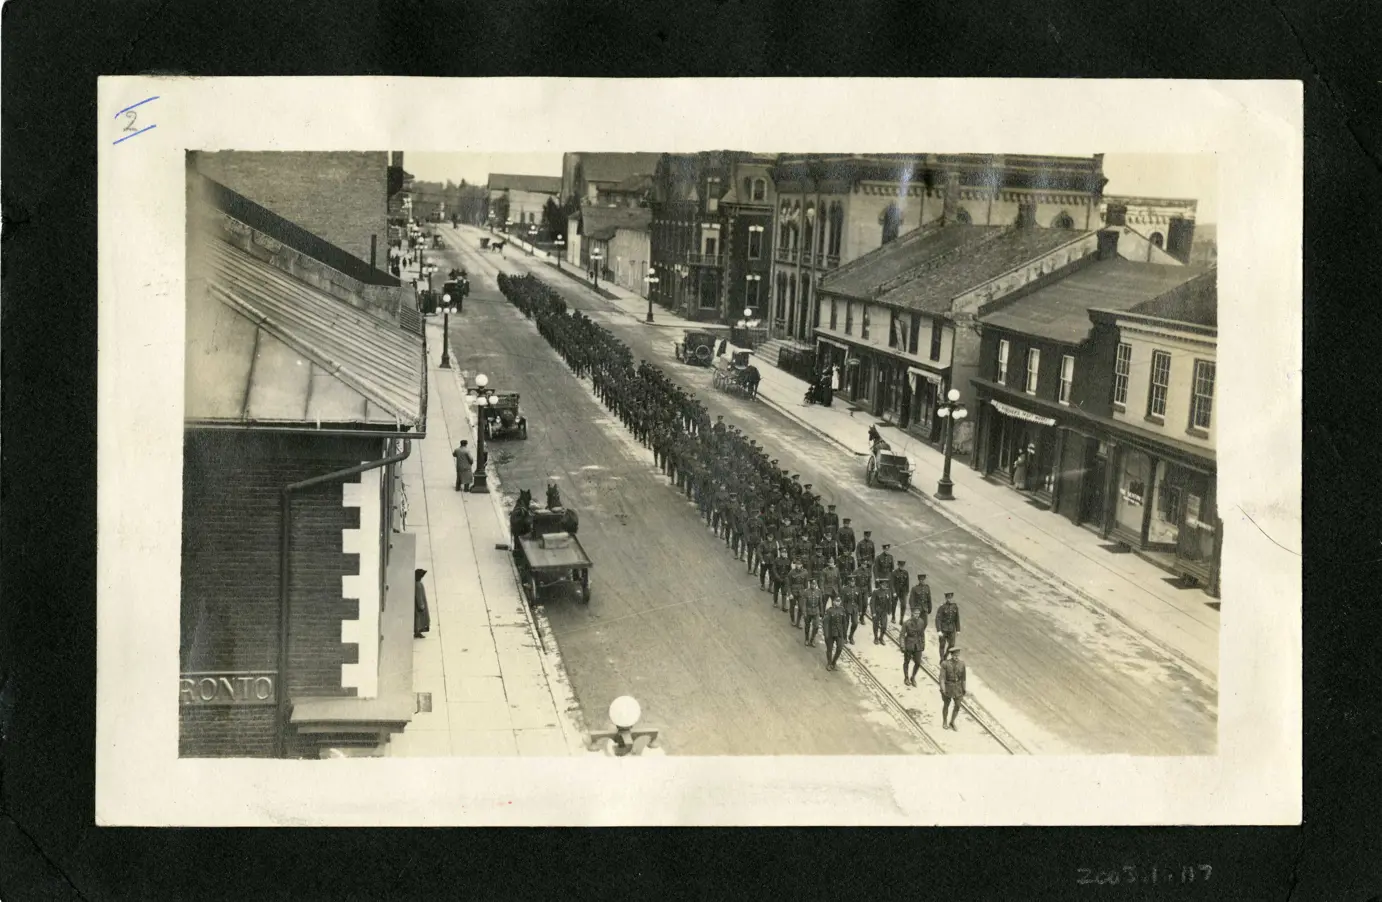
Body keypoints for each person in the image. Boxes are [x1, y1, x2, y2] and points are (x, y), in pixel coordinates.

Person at [940, 647, 966, 730]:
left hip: (958, 688)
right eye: (955, 655)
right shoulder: (945, 664)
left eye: (958, 655)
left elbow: (963, 678)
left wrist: (964, 688)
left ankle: (952, 722)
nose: (956, 657)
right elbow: (942, 678)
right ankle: (944, 721)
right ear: (951, 655)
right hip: (948, 687)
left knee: (958, 705)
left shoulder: (962, 664)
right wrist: (943, 689)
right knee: (946, 705)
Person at [900, 608, 925, 686]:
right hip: (909, 644)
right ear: (912, 614)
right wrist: (903, 646)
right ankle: (906, 678)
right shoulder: (907, 623)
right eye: (915, 613)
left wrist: (923, 644)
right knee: (906, 661)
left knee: (918, 662)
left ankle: (913, 677)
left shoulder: (921, 622)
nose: (917, 615)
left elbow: (922, 634)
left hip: (918, 645)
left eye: (918, 613)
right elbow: (902, 635)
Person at [823, 595, 847, 671]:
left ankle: (834, 662)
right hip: (830, 632)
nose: (838, 603)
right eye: (836, 601)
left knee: (840, 648)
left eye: (839, 601)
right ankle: (829, 663)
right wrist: (826, 635)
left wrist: (844, 635)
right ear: (833, 602)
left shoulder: (842, 610)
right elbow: (826, 623)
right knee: (829, 649)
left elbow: (844, 623)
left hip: (839, 633)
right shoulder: (829, 611)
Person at [936, 592, 961, 661]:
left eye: (950, 598)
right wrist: (939, 630)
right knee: (942, 645)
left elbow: (957, 618)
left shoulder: (955, 607)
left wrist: (958, 630)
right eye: (948, 598)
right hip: (943, 629)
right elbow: (938, 619)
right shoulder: (942, 607)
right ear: (946, 598)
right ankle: (942, 659)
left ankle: (945, 656)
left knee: (952, 644)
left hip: (951, 629)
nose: (949, 599)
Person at [840, 575, 862, 645]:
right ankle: (844, 637)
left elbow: (860, 600)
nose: (852, 583)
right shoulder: (845, 589)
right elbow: (842, 601)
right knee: (845, 623)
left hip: (855, 608)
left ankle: (851, 636)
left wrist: (860, 610)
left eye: (854, 582)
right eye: (851, 582)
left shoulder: (858, 589)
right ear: (849, 582)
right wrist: (842, 609)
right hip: (846, 608)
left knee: (855, 623)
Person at [870, 580, 893, 645]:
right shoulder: (876, 592)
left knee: (884, 626)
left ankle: (881, 637)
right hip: (877, 612)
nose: (884, 586)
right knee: (876, 625)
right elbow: (872, 603)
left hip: (884, 612)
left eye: (885, 585)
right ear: (880, 585)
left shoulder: (888, 591)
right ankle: (876, 638)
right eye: (883, 585)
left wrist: (889, 610)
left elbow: (889, 601)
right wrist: (873, 612)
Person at [801, 579, 824, 647]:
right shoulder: (806, 592)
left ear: (816, 584)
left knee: (816, 626)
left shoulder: (819, 592)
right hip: (808, 611)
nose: (813, 585)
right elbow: (804, 604)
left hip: (816, 611)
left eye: (814, 584)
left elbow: (820, 603)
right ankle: (807, 639)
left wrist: (821, 612)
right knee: (807, 626)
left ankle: (812, 639)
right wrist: (804, 612)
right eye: (812, 584)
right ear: (810, 584)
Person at [414, 568, 430, 639]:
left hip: (418, 605)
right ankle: (417, 631)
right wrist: (421, 605)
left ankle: (417, 631)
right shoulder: (418, 585)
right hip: (419, 606)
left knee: (418, 618)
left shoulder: (416, 584)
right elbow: (419, 596)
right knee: (419, 619)